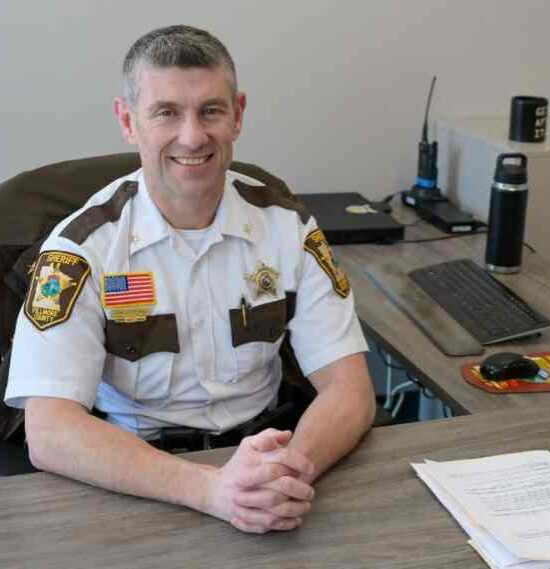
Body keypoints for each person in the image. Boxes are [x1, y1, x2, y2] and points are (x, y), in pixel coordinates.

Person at [3, 25, 376, 534]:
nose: (192, 136)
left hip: (270, 457)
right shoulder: (80, 249)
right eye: (166, 113)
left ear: (238, 114)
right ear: (128, 121)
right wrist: (210, 489)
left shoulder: (286, 226)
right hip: (138, 475)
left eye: (211, 111)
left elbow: (349, 389)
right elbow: (50, 432)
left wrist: (284, 473)